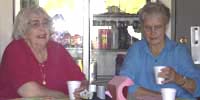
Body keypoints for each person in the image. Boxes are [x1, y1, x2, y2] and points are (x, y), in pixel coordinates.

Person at [0, 6, 87, 99]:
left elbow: (82, 81)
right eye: (35, 24)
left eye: (45, 23)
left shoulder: (57, 49)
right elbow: (29, 91)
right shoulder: (15, 49)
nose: (42, 28)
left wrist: (83, 90)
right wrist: (64, 97)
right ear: (24, 30)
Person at [119, 2, 200, 99]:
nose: (152, 32)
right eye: (148, 27)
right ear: (142, 28)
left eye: (157, 27)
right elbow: (123, 85)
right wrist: (161, 97)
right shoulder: (136, 50)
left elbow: (197, 88)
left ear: (166, 27)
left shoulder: (179, 52)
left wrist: (178, 78)